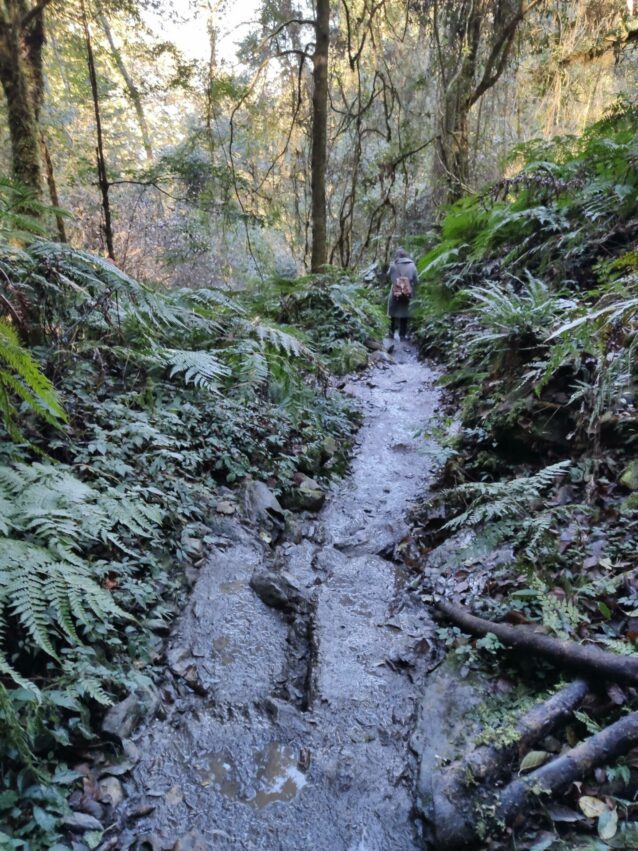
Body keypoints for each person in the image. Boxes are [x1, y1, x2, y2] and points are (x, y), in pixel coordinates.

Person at [387, 247, 417, 341]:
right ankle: (402, 335)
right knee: (405, 312)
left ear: (397, 256)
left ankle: (391, 333)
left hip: (395, 291)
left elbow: (388, 275)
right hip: (407, 292)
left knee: (392, 312)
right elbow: (416, 279)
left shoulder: (393, 265)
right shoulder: (412, 265)